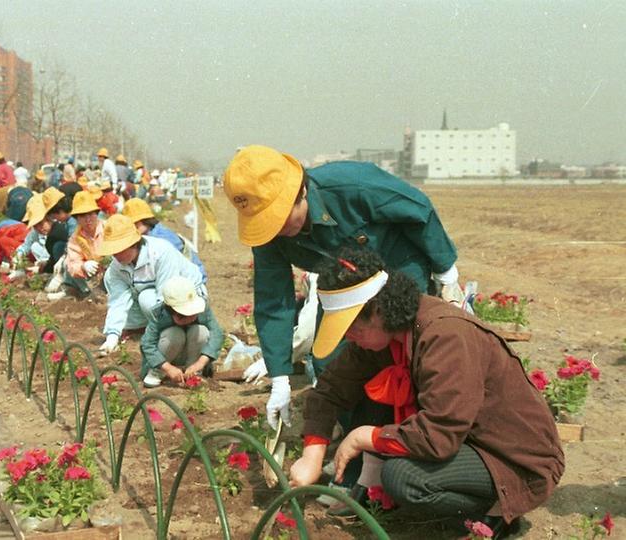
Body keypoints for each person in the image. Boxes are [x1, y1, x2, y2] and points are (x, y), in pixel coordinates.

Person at [288, 246, 564, 538]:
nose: (348, 337)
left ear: (379, 311)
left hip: (512, 456)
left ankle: (496, 512)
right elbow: (330, 389)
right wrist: (312, 456)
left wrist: (363, 437)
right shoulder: (383, 335)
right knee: (373, 397)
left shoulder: (445, 336)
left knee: (404, 478)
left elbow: (438, 435)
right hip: (466, 437)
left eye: (352, 328)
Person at [223, 145, 461, 430]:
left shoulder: (352, 185)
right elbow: (274, 300)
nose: (274, 229)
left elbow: (418, 211)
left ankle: (415, 430)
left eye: (277, 218)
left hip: (398, 264)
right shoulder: (270, 238)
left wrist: (446, 273)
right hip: (342, 281)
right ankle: (354, 436)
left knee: (405, 347)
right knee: (329, 361)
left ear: (301, 193)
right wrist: (280, 379)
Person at [97, 214, 205, 355]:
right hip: (155, 295)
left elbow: (167, 294)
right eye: (113, 251)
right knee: (145, 299)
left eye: (119, 250)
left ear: (133, 244)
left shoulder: (160, 253)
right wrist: (112, 337)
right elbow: (118, 301)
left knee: (150, 302)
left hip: (188, 295)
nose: (115, 255)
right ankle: (162, 331)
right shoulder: (115, 269)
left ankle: (178, 334)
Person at [140, 275, 223, 388]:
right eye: (183, 316)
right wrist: (167, 367)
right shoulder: (159, 315)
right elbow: (147, 344)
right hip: (166, 356)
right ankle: (157, 372)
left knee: (201, 331)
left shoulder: (204, 308)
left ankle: (193, 373)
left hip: (192, 354)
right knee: (174, 334)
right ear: (171, 311)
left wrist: (200, 363)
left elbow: (216, 334)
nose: (190, 318)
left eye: (193, 314)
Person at [121, 198, 207, 281]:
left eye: (136, 223)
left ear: (145, 220)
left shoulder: (162, 238)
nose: (133, 228)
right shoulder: (150, 233)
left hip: (192, 279)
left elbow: (171, 268)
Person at [55, 190, 104, 298]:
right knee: (67, 264)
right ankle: (86, 293)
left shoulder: (108, 229)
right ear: (77, 219)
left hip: (113, 274)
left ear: (96, 214)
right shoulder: (75, 239)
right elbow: (73, 264)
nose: (88, 220)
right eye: (82, 216)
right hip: (92, 278)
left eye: (91, 214)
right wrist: (83, 267)